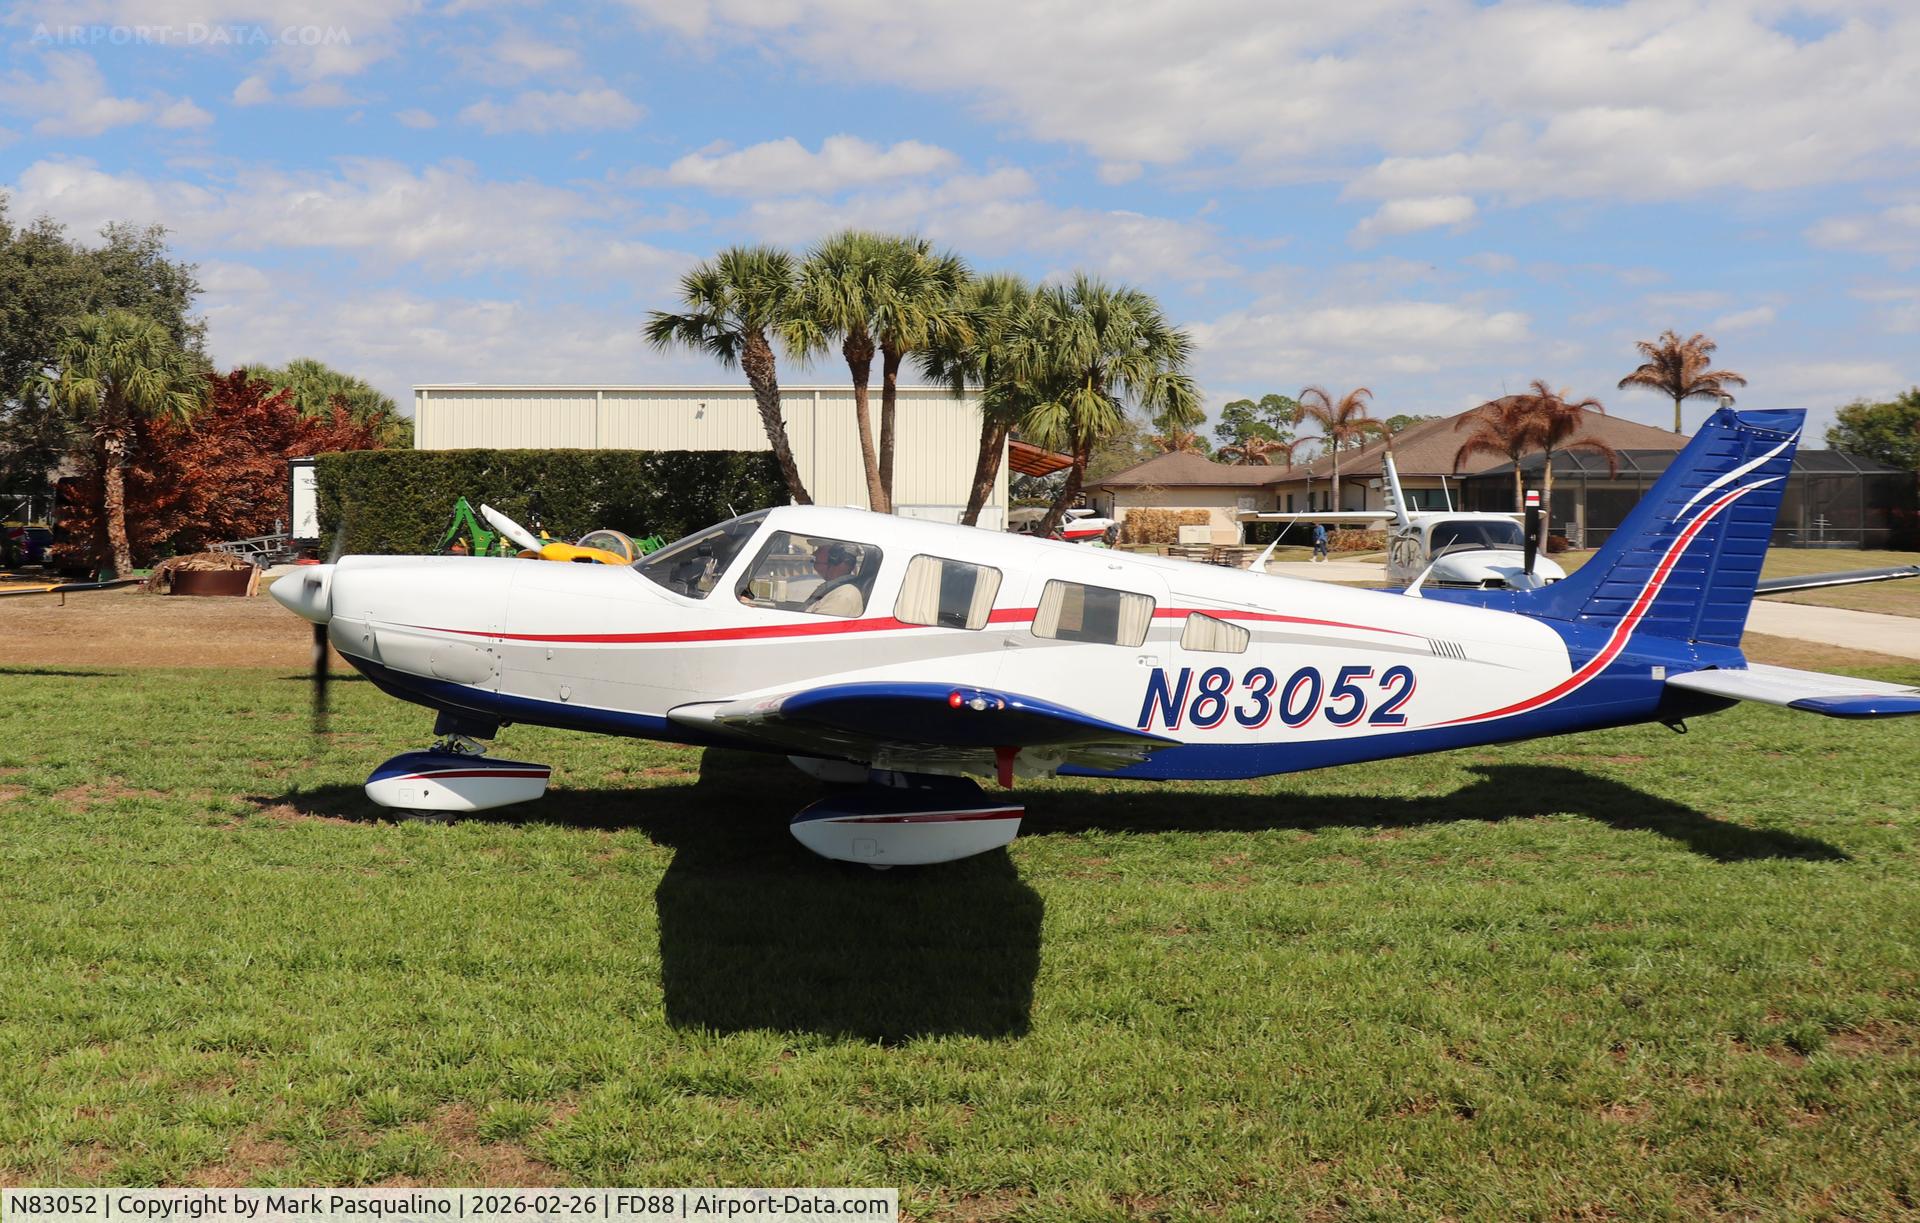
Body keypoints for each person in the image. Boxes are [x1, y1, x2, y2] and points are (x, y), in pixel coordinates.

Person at [802, 541, 865, 617]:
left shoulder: (843, 596)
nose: (814, 554)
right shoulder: (835, 590)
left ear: (835, 558)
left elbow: (814, 627)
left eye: (819, 549)